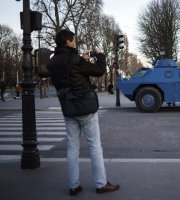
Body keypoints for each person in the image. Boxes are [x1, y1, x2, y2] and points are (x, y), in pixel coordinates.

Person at [47, 29, 120, 196]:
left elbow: (69, 73)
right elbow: (99, 70)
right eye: (73, 40)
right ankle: (101, 184)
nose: (75, 42)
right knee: (94, 145)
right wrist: (100, 55)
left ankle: (74, 185)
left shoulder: (53, 62)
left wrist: (82, 60)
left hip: (68, 107)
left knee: (72, 147)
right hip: (84, 107)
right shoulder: (75, 59)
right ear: (67, 42)